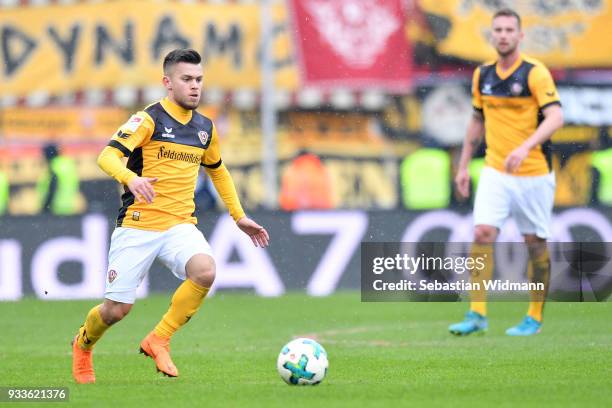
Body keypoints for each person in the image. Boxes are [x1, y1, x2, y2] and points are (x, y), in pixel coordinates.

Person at [71, 48, 270, 384]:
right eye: (187, 79)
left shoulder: (205, 128)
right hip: (138, 224)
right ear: (167, 82)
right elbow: (106, 157)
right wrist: (131, 178)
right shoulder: (148, 119)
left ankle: (158, 338)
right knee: (116, 311)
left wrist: (238, 216)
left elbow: (218, 172)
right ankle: (83, 345)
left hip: (180, 224)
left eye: (199, 79)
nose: (195, 86)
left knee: (205, 271)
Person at [449, 9, 564, 336]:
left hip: (534, 174)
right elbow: (476, 120)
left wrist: (525, 147)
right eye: (497, 29)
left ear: (520, 35)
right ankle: (477, 313)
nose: (503, 34)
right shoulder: (481, 75)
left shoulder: (535, 73)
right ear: (492, 35)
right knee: (482, 233)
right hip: (495, 171)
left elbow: (556, 117)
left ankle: (535, 315)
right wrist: (463, 165)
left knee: (536, 245)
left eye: (509, 29)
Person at [37, 143, 80, 214]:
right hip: (68, 207)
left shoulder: (54, 166)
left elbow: (53, 187)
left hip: (55, 209)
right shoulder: (68, 164)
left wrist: (45, 207)